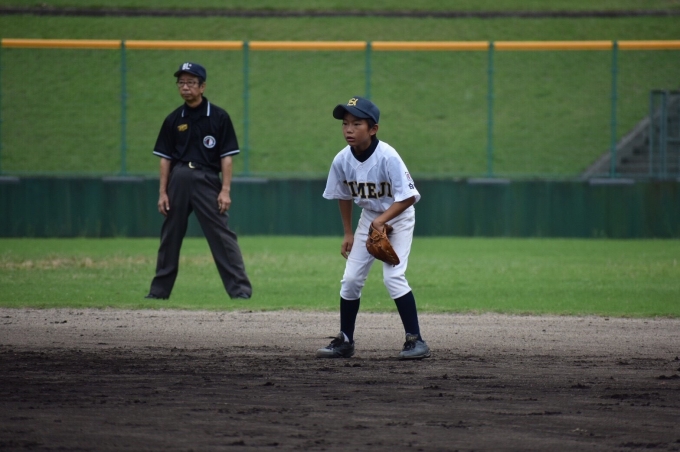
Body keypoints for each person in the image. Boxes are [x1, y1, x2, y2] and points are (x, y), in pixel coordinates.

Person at [317, 96, 430, 360]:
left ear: (373, 129)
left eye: (357, 124)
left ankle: (416, 340)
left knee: (393, 277)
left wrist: (381, 221)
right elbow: (343, 195)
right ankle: (345, 340)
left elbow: (408, 197)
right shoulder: (342, 160)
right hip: (369, 218)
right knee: (351, 279)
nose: (348, 129)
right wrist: (348, 232)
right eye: (345, 123)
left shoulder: (388, 157)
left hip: (398, 217)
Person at [145, 62, 252, 301]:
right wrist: (162, 193)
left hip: (206, 178)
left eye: (191, 83)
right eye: (181, 83)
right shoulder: (173, 119)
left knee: (221, 234)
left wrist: (225, 190)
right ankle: (158, 291)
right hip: (179, 178)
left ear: (202, 87)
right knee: (170, 234)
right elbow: (165, 159)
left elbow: (226, 157)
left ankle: (240, 290)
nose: (185, 87)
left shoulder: (219, 117)